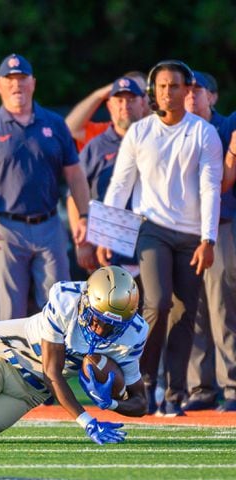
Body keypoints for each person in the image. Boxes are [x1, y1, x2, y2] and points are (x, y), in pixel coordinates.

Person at [96, 60, 223, 416]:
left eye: (175, 86)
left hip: (192, 235)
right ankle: (145, 382)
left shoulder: (203, 133)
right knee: (158, 302)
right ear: (154, 91)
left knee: (185, 313)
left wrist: (208, 240)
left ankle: (174, 394)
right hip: (151, 229)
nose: (168, 92)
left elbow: (210, 186)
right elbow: (120, 184)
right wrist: (107, 233)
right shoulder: (140, 133)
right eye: (162, 86)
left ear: (188, 90)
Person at [0, 266, 148, 444]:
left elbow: (141, 403)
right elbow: (51, 372)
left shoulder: (134, 334)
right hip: (7, 363)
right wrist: (87, 421)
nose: (100, 330)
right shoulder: (65, 300)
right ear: (85, 301)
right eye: (97, 319)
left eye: (111, 326)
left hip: (30, 394)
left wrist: (111, 404)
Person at [0, 53, 91, 321]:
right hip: (6, 228)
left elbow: (75, 174)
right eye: (10, 79)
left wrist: (84, 215)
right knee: (12, 311)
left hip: (49, 224)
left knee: (60, 304)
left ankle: (57, 364)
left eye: (22, 78)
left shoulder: (54, 123)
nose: (16, 85)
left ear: (33, 83)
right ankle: (15, 364)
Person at [182, 71, 236, 412]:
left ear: (212, 96)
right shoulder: (176, 129)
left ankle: (231, 386)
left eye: (197, 89)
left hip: (221, 226)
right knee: (192, 310)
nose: (189, 95)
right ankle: (199, 387)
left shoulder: (226, 126)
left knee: (222, 306)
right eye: (185, 89)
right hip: (184, 229)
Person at [66, 77, 147, 273]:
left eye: (131, 99)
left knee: (155, 303)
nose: (125, 106)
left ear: (143, 103)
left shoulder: (156, 139)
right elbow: (73, 196)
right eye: (119, 100)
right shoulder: (96, 145)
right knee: (111, 302)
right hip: (108, 248)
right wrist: (82, 243)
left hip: (150, 242)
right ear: (109, 105)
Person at [65, 71, 149, 151]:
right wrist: (100, 94)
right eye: (121, 98)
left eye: (137, 93)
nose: (126, 104)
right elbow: (70, 128)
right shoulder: (109, 134)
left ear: (151, 97)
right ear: (110, 106)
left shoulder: (159, 130)